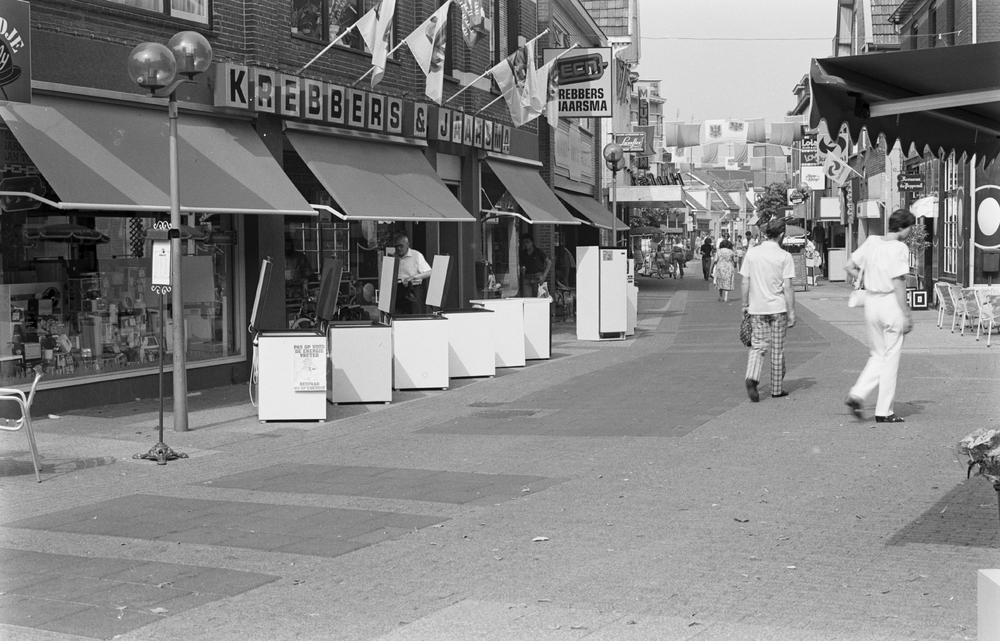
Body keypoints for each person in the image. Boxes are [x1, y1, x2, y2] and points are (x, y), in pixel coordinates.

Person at [844, 209, 916, 424]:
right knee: (891, 357)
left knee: (877, 354)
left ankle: (858, 393)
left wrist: (869, 278)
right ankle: (884, 411)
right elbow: (898, 283)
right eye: (910, 227)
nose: (910, 232)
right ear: (902, 227)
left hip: (871, 302)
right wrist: (906, 313)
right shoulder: (899, 248)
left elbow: (849, 266)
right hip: (890, 303)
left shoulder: (872, 241)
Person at [740, 218, 796, 402]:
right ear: (781, 234)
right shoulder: (785, 256)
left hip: (757, 308)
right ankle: (777, 389)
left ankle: (752, 377)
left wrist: (744, 304)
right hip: (778, 308)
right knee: (777, 349)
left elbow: (745, 281)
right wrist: (791, 312)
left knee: (757, 346)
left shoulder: (752, 253)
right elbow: (788, 287)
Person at [393, 233, 432, 314]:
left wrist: (413, 277)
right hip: (398, 289)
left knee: (414, 314)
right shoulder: (393, 256)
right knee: (397, 315)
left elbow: (429, 272)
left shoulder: (416, 255)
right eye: (396, 246)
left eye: (401, 246)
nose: (398, 248)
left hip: (413, 288)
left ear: (407, 244)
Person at [519, 233, 551, 297]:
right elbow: (522, 264)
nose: (525, 244)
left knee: (540, 297)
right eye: (524, 242)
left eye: (527, 242)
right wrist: (522, 268)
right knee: (527, 299)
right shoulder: (523, 253)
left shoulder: (538, 252)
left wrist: (544, 275)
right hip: (527, 278)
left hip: (538, 277)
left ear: (532, 242)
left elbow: (549, 262)